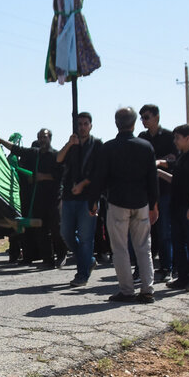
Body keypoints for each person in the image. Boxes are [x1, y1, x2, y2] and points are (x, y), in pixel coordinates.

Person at [89, 107, 159, 303]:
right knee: (144, 247)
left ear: (116, 123)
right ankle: (147, 290)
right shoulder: (146, 147)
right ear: (134, 123)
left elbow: (99, 177)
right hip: (141, 202)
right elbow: (152, 179)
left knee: (120, 248)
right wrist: (154, 204)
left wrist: (93, 201)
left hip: (118, 202)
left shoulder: (108, 148)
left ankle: (127, 290)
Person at [0, 129, 65, 268]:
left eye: (44, 137)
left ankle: (61, 255)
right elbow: (17, 149)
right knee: (41, 229)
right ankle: (48, 260)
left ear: (50, 138)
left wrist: (43, 176)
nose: (42, 139)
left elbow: (62, 175)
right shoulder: (35, 153)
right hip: (39, 198)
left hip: (53, 198)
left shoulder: (56, 155)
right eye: (40, 137)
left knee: (56, 228)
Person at [55, 112, 103, 286]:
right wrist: (69, 143)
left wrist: (83, 184)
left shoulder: (97, 145)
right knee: (66, 234)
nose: (82, 127)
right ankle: (88, 259)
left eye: (85, 124)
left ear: (90, 125)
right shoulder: (72, 144)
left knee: (85, 238)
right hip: (68, 197)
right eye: (79, 124)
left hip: (87, 198)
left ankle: (82, 274)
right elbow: (58, 159)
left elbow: (100, 172)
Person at [160, 124, 189, 292]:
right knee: (178, 243)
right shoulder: (182, 157)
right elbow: (176, 181)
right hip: (177, 206)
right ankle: (182, 278)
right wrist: (159, 172)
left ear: (188, 138)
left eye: (178, 138)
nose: (175, 141)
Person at [138, 104, 176, 281]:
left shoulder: (170, 137)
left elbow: (176, 159)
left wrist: (161, 163)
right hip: (145, 192)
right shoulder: (142, 138)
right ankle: (144, 268)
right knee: (144, 232)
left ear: (156, 117)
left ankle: (167, 268)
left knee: (165, 231)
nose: (143, 121)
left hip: (165, 191)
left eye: (146, 117)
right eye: (142, 118)